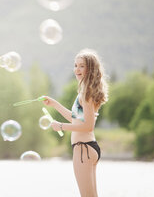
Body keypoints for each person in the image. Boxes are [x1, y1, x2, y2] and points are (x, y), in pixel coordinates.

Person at [43, 48, 108, 197]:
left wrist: (60, 126)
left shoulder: (86, 93)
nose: (77, 69)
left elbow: (88, 126)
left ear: (90, 69)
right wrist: (54, 104)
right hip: (88, 148)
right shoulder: (86, 91)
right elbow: (76, 119)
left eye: (82, 66)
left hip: (83, 149)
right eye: (75, 65)